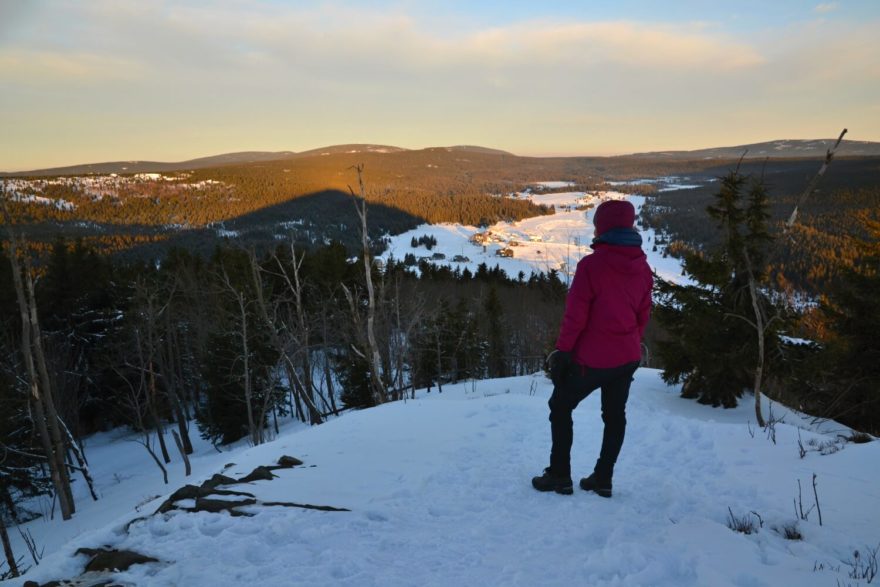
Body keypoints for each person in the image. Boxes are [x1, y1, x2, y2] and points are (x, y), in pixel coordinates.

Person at [532, 199, 652, 497]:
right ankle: (603, 478)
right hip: (627, 358)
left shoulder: (591, 266)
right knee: (614, 416)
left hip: (593, 360)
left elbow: (575, 317)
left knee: (560, 407)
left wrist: (563, 352)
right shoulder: (643, 267)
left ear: (602, 227)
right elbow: (642, 316)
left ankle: (560, 475)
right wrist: (629, 343)